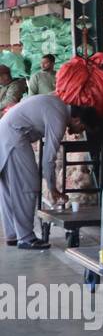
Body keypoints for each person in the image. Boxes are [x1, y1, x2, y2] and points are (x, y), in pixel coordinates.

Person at [0, 93, 88, 249]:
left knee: (8, 187)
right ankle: (26, 238)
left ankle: (13, 234)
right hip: (14, 137)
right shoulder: (59, 118)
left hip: (5, 132)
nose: (79, 132)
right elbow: (49, 159)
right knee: (28, 186)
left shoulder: (57, 104)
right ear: (77, 119)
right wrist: (53, 188)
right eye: (83, 127)